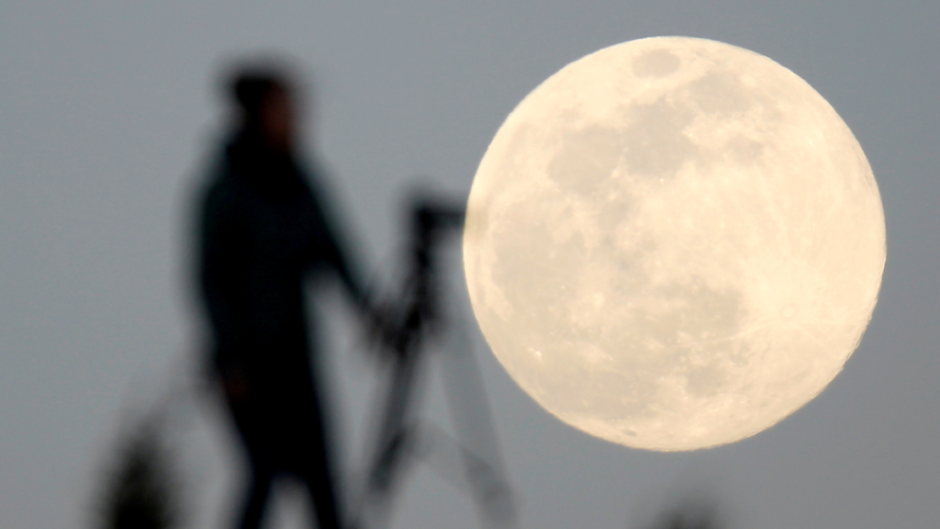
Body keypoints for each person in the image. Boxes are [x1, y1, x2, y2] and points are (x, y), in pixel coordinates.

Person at [195, 61, 375, 529]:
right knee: (265, 472)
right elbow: (210, 281)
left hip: (298, 360)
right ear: (256, 113)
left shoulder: (300, 184)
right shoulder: (224, 191)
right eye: (285, 107)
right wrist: (231, 358)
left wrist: (370, 314)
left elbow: (334, 254)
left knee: (323, 483)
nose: (295, 118)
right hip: (250, 367)